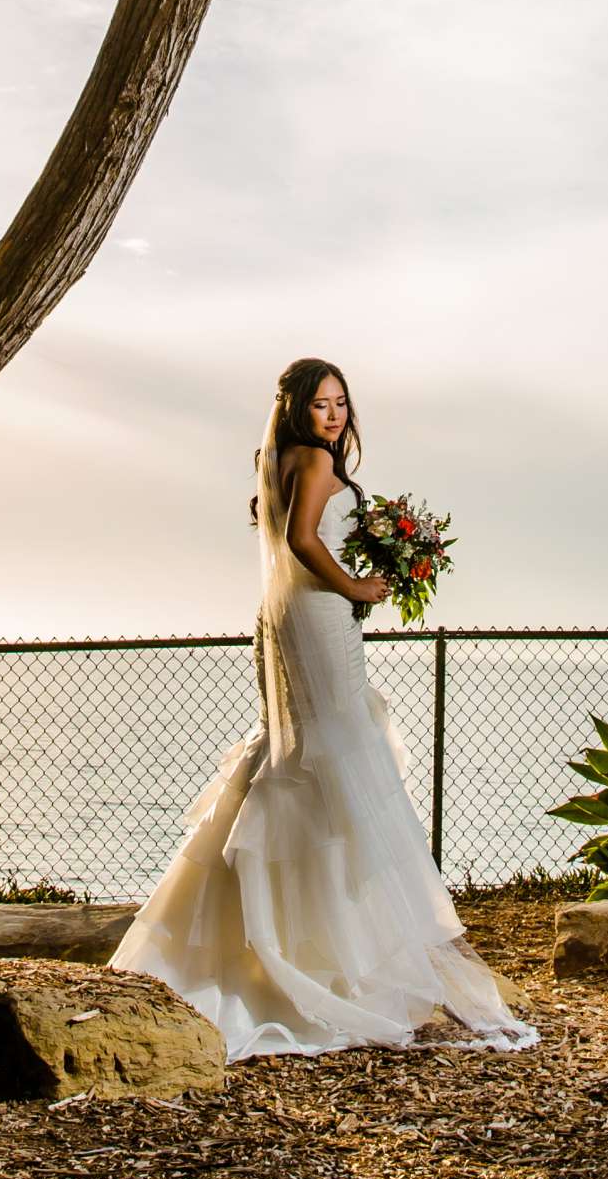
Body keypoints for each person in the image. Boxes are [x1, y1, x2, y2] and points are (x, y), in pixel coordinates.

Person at [108, 356, 538, 1061]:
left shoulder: (283, 459)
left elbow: (296, 539)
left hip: (290, 613)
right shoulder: (310, 461)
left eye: (340, 404)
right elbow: (305, 541)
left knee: (301, 755)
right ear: (297, 411)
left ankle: (291, 938)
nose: (333, 416)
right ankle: (326, 955)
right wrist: (357, 587)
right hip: (315, 610)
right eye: (320, 405)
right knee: (334, 754)